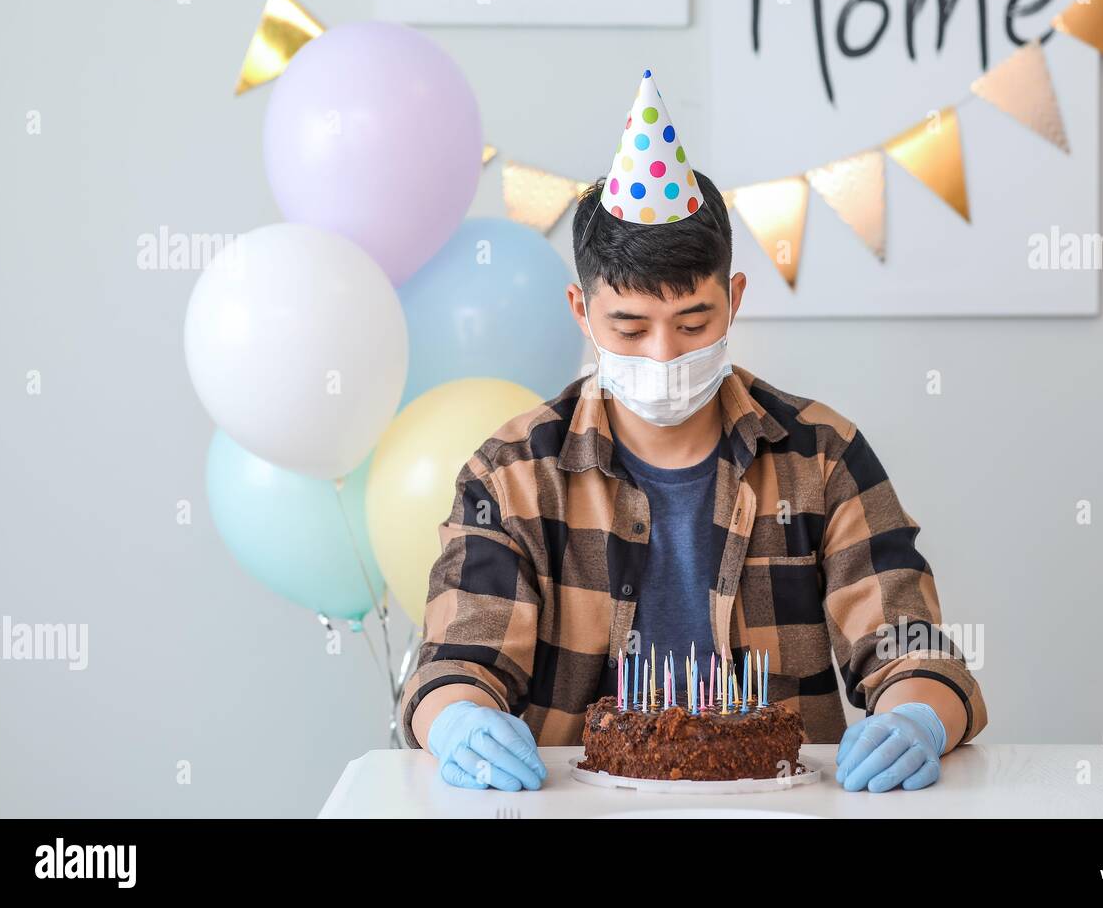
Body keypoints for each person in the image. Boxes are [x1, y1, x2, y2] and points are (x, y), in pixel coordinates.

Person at [399, 70, 987, 794]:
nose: (663, 355)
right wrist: (459, 720)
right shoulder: (513, 474)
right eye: (629, 326)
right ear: (581, 311)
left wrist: (916, 718)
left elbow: (911, 650)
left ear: (733, 300)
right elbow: (458, 663)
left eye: (693, 323)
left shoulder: (821, 457)